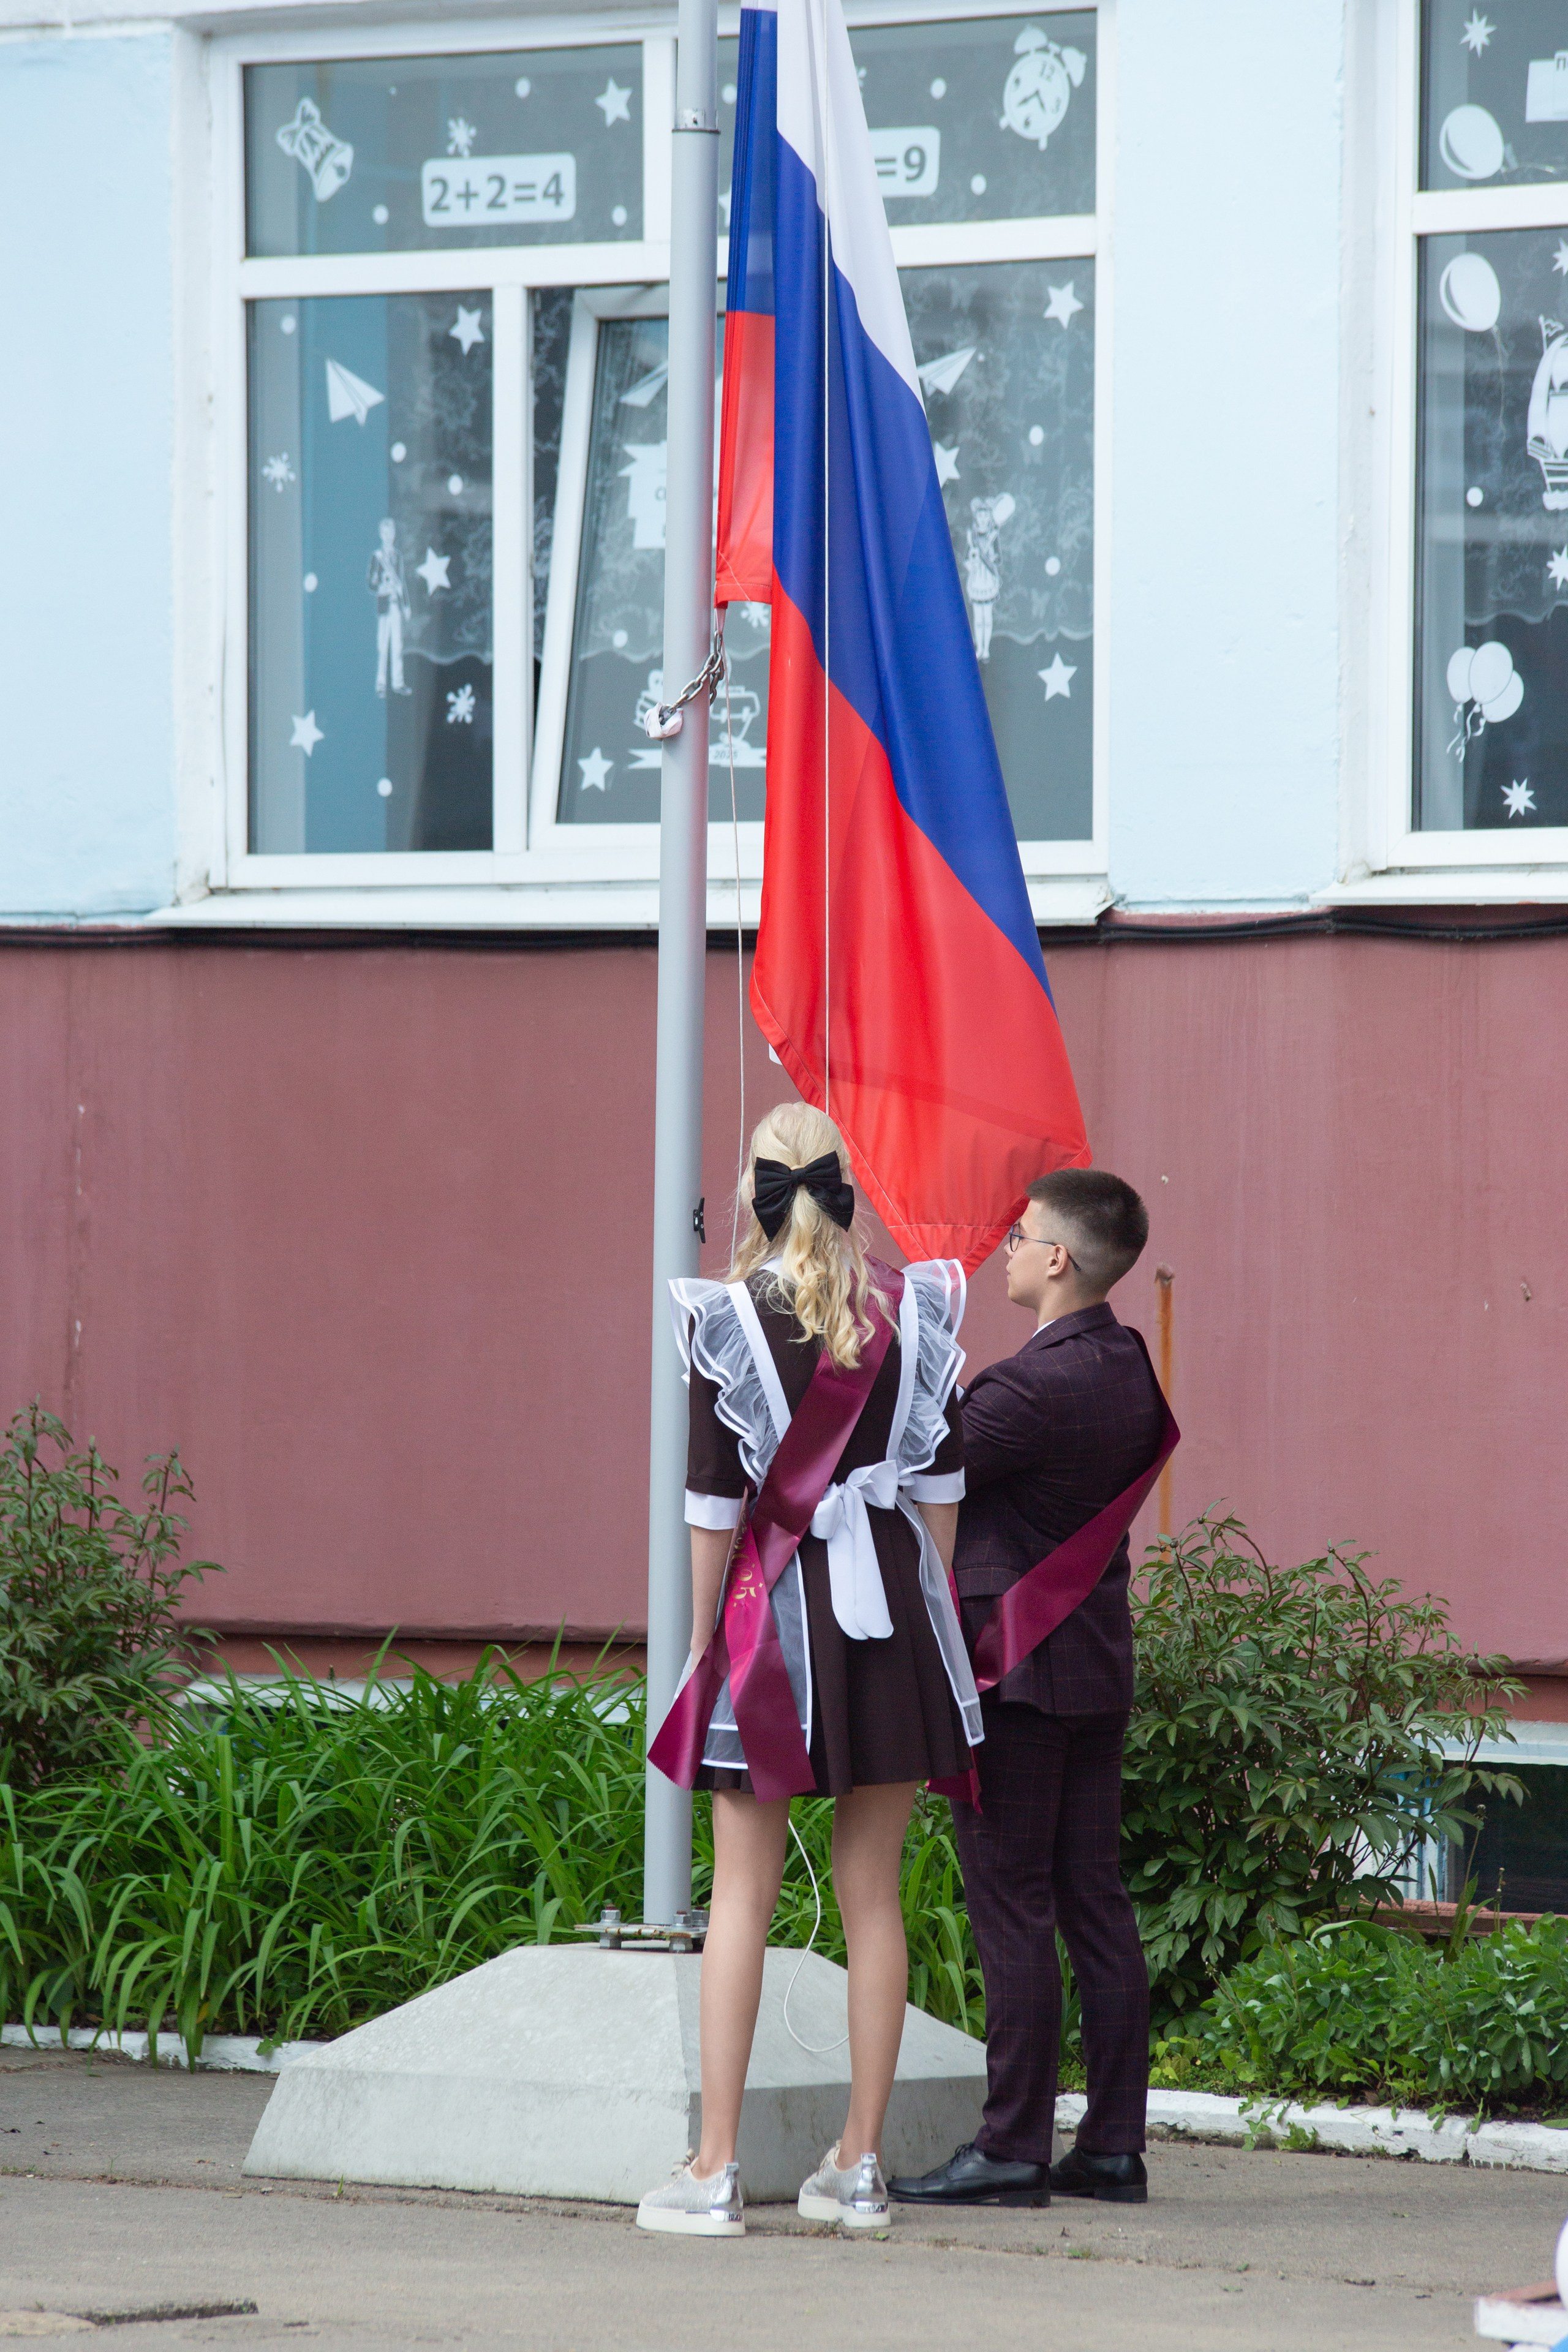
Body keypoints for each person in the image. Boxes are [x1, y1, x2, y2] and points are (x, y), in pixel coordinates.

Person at [636, 1103, 982, 2239]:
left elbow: (709, 1508)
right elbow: (939, 1499)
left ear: (754, 1190)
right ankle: (860, 2168)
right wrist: (920, 1635)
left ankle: (716, 2169)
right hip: (889, 1623)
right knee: (872, 1895)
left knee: (741, 1891)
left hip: (770, 1617)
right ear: (847, 1187)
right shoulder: (919, 1309)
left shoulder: (726, 1316)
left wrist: (700, 1649)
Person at [891, 1169, 1164, 2211]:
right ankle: (1113, 2145)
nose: (1005, 1250)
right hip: (1097, 1659)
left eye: (1022, 1237)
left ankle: (1009, 2147)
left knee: (1012, 1906)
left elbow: (918, 1463)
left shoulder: (1028, 1390)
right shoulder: (1131, 1366)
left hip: (1017, 1671)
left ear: (1058, 1260)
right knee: (1095, 1900)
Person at [368, 518, 411, 697]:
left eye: (390, 533)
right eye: (385, 533)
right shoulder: (377, 557)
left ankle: (398, 683)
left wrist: (406, 605)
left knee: (398, 645)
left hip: (396, 607)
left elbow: (402, 582)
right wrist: (380, 588)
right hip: (384, 606)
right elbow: (370, 584)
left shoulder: (398, 557)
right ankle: (380, 684)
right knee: (382, 645)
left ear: (394, 535)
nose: (388, 536)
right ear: (381, 534)